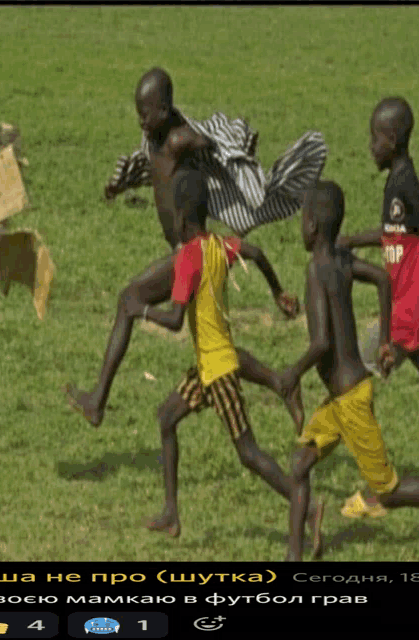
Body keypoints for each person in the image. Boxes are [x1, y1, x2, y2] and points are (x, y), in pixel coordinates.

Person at [65, 67, 325, 428]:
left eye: (146, 112)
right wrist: (123, 185)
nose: (140, 120)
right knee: (214, 344)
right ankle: (280, 382)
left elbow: (212, 143)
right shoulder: (155, 139)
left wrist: (237, 150)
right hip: (192, 250)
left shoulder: (178, 139)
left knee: (129, 301)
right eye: (137, 111)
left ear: (166, 108)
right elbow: (153, 171)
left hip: (188, 252)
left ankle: (97, 401)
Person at [126, 167, 324, 552]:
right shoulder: (219, 244)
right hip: (207, 366)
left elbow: (174, 319)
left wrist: (140, 310)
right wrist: (277, 290)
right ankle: (171, 512)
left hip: (218, 371)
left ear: (179, 217)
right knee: (166, 418)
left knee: (249, 454)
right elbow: (257, 252)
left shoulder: (187, 259)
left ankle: (311, 507)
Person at [280, 181, 419, 562]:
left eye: (302, 219)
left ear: (312, 225)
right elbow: (382, 278)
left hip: (350, 401)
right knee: (300, 466)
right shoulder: (342, 260)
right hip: (341, 399)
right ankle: (294, 557)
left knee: (388, 491)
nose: (300, 227)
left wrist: (291, 374)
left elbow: (320, 344)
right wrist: (384, 338)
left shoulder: (317, 270)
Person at [337, 97, 419, 479]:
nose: (369, 146)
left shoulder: (407, 183)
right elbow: (395, 233)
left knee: (350, 378)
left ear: (391, 140)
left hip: (410, 315)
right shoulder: (397, 180)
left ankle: (325, 461)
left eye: (374, 138)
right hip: (418, 318)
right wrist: (353, 241)